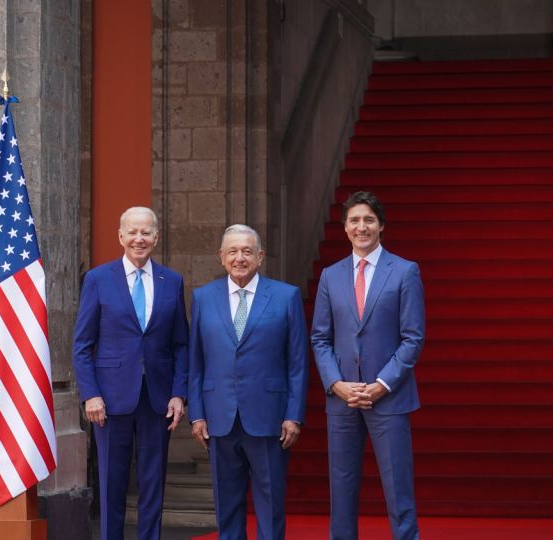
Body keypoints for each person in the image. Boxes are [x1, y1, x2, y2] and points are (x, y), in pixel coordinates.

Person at [310, 191, 425, 540]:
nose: (362, 227)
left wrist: (382, 384)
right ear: (345, 228)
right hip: (343, 398)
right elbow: (320, 338)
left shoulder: (405, 271)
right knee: (341, 490)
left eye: (369, 220)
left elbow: (413, 338)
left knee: (398, 486)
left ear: (381, 226)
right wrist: (336, 383)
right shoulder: (331, 276)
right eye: (355, 220)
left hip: (388, 396)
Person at [73, 207, 189, 540]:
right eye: (133, 232)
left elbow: (181, 343)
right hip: (109, 399)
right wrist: (90, 394)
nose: (140, 239)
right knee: (112, 482)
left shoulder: (172, 280)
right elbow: (83, 344)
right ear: (121, 236)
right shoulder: (98, 279)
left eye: (147, 232)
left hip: (158, 398)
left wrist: (179, 394)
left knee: (154, 482)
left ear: (157, 236)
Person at [188, 224, 308, 540]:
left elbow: (297, 363)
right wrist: (197, 413)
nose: (239, 258)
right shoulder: (202, 297)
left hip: (269, 416)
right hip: (219, 417)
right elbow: (195, 362)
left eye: (246, 251)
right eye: (232, 251)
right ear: (221, 257)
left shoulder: (286, 296)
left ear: (260, 256)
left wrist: (293, 414)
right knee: (226, 503)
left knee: (270, 503)